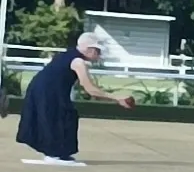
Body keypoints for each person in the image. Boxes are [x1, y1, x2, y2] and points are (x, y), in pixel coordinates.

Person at [16, 33, 134, 163]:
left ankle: (61, 152)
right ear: (89, 49)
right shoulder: (78, 61)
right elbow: (90, 89)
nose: (98, 55)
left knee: (68, 116)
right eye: (97, 51)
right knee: (57, 118)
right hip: (47, 91)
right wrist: (117, 98)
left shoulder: (69, 55)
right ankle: (53, 154)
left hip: (45, 89)